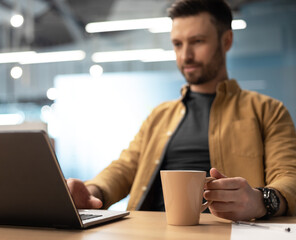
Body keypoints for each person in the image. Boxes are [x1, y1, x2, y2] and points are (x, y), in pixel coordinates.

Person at [67, 0, 296, 221]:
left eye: (197, 41)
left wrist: (260, 200)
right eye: (178, 44)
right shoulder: (160, 115)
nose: (185, 55)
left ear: (226, 41)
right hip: (150, 231)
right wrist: (92, 192)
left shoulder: (267, 111)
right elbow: (124, 168)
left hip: (229, 231)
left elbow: (289, 178)